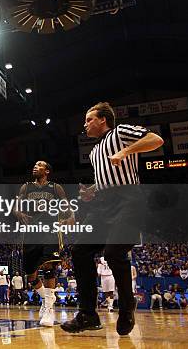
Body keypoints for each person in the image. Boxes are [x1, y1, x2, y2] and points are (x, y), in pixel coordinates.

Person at [61, 102, 163, 336]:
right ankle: (88, 314)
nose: (85, 124)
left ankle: (127, 305)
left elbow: (157, 140)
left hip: (130, 200)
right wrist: (91, 192)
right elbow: (107, 180)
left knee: (114, 252)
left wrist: (125, 151)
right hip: (104, 203)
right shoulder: (95, 151)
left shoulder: (120, 132)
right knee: (80, 250)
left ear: (102, 120)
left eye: (89, 120)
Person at [15, 160, 74, 326]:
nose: (35, 166)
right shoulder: (26, 187)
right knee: (30, 275)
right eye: (34, 164)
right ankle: (45, 297)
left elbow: (67, 207)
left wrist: (70, 218)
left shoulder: (55, 188)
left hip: (51, 231)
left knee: (49, 266)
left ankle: (49, 309)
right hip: (31, 233)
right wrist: (20, 214)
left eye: (39, 165)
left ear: (47, 171)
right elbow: (16, 207)